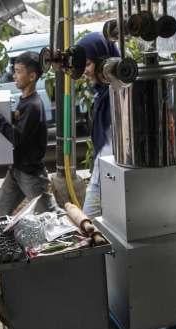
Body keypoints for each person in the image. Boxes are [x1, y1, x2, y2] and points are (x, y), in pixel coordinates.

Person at [0, 51, 59, 215]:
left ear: (32, 76)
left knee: (50, 215)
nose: (14, 76)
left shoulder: (33, 106)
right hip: (16, 170)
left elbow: (17, 138)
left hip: (31, 175)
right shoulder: (25, 101)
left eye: (19, 72)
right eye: (14, 71)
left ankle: (70, 236)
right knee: (2, 207)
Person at [76, 32, 120, 217]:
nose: (85, 71)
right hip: (102, 171)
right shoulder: (102, 93)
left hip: (115, 174)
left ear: (104, 61)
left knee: (91, 224)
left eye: (88, 64)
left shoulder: (119, 91)